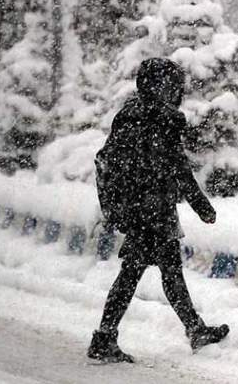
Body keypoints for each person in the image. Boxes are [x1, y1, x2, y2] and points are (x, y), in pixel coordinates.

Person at [88, 58, 229, 363]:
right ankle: (105, 336)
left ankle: (192, 329)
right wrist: (202, 206)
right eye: (173, 85)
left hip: (138, 210)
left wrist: (119, 207)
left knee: (159, 271)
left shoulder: (129, 116)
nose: (177, 91)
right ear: (161, 86)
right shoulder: (160, 120)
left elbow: (111, 161)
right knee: (144, 274)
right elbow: (178, 168)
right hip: (152, 211)